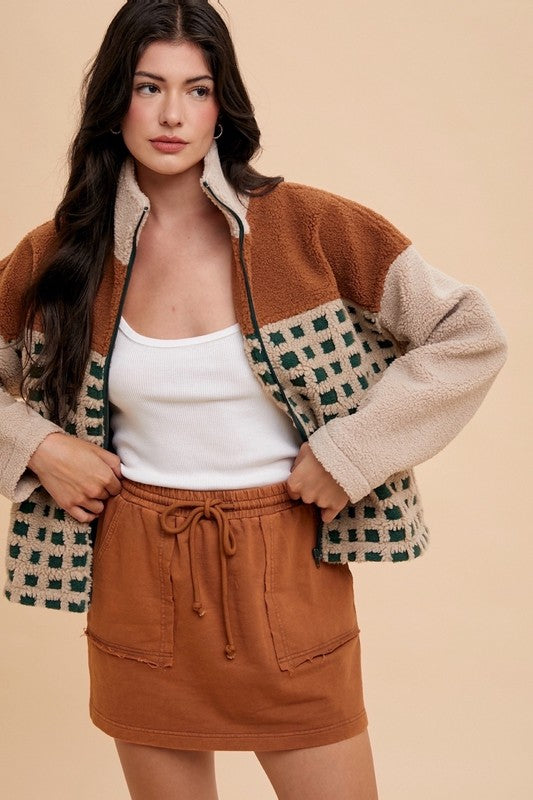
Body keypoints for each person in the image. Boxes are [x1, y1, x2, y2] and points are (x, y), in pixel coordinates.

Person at [0, 1, 507, 798]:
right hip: (136, 573)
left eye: (196, 89)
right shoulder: (60, 254)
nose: (172, 115)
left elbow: (469, 334)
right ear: (114, 101)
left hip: (288, 565)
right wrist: (37, 446)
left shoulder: (312, 229)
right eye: (147, 87)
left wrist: (350, 453)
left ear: (222, 104)